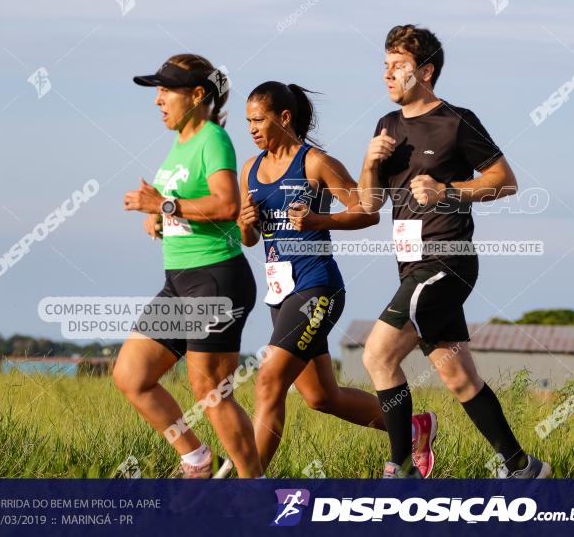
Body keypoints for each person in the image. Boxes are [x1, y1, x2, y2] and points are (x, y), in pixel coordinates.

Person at [357, 24, 551, 478]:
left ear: (425, 71)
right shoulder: (387, 126)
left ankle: (400, 469)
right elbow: (369, 204)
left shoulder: (456, 121)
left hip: (446, 260)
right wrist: (368, 163)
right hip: (411, 265)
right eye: (383, 65)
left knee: (378, 356)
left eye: (397, 66)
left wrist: (447, 192)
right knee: (458, 375)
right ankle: (523, 467)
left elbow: (505, 182)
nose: (386, 75)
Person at [238, 81, 438, 477]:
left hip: (318, 287)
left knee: (268, 381)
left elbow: (367, 211)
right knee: (320, 397)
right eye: (248, 122)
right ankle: (414, 428)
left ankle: (247, 487)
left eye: (258, 120)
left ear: (284, 117)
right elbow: (249, 238)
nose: (252, 129)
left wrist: (318, 220)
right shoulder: (251, 168)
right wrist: (245, 225)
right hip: (281, 294)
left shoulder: (314, 163)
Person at [115, 54, 262, 478]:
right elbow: (186, 202)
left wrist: (163, 203)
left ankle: (257, 492)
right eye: (156, 91)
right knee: (131, 374)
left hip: (215, 278)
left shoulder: (213, 138)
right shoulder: (181, 142)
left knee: (211, 392)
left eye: (166, 91)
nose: (158, 100)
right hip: (179, 281)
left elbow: (226, 203)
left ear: (198, 95)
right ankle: (197, 460)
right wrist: (160, 216)